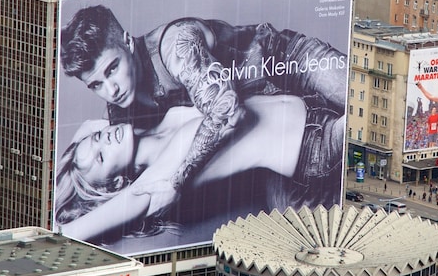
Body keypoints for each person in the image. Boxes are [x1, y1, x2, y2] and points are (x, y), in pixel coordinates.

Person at [60, 7, 346, 219]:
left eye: (113, 69)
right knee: (305, 240)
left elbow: (228, 111)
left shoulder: (174, 45)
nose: (111, 90)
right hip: (281, 131)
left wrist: (177, 182)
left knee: (363, 104)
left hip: (289, 65)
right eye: (96, 84)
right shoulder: (121, 118)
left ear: (127, 41)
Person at [55, 95, 325, 242]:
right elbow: (77, 230)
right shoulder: (154, 183)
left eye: (97, 139)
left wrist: (86, 144)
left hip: (312, 108)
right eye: (101, 157)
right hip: (316, 149)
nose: (106, 139)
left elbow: (91, 124)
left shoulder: (158, 122)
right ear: (114, 184)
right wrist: (48, 235)